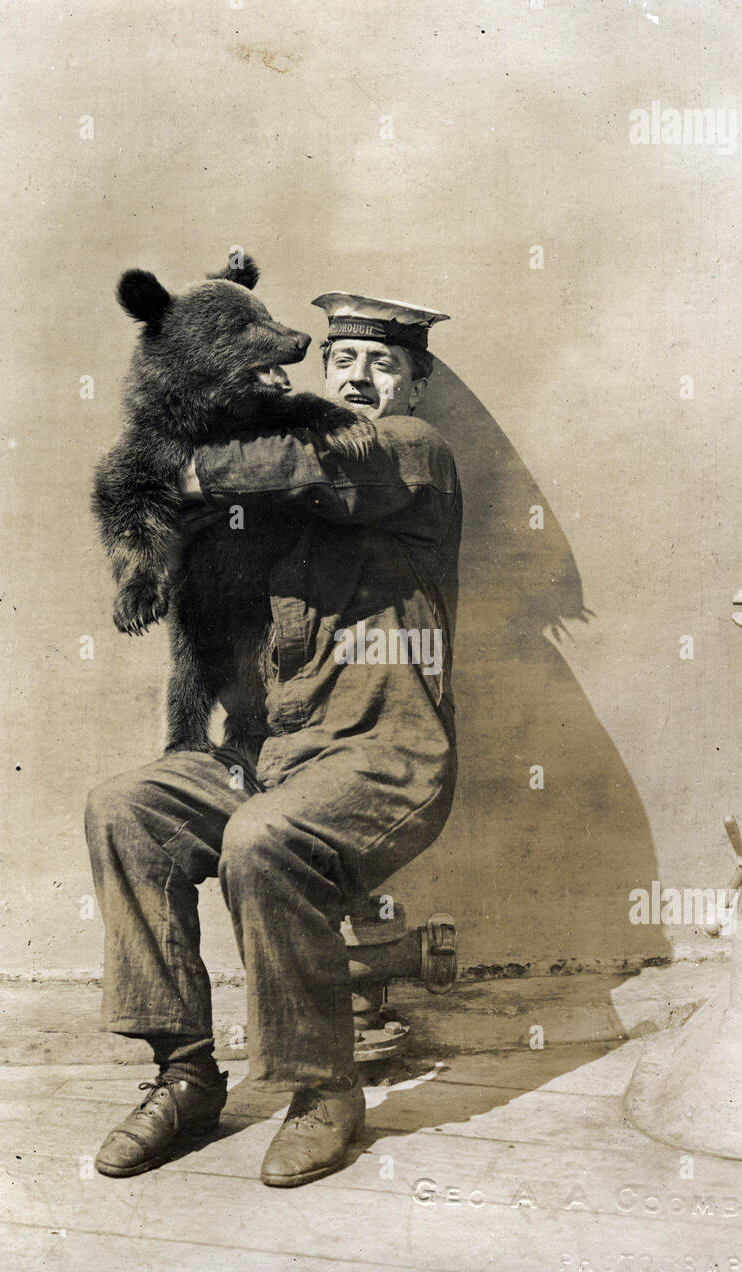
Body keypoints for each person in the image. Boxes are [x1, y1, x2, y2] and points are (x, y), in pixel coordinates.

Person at [86, 293, 461, 1187]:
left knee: (263, 839)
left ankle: (325, 1091)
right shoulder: (274, 491)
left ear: (415, 383)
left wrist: (164, 464)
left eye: (383, 366)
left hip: (385, 759)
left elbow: (301, 462)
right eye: (341, 364)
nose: (360, 379)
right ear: (314, 373)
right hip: (273, 760)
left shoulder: (411, 453)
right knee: (126, 809)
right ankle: (184, 1075)